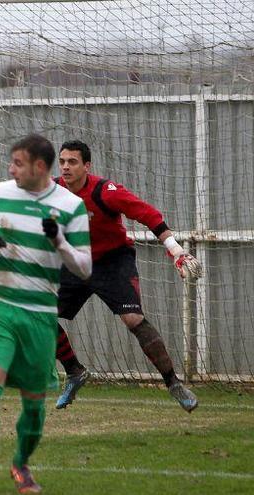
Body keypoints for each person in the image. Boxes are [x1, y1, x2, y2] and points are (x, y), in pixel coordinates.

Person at [0, 134, 92, 495]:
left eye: (17, 163)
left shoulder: (70, 207)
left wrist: (59, 242)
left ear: (39, 167)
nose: (10, 168)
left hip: (39, 317)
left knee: (34, 406)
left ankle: (20, 464)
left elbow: (84, 267)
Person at [51, 140, 202, 412]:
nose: (65, 167)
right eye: (62, 161)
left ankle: (173, 383)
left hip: (113, 261)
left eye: (72, 162)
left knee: (133, 319)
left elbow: (146, 214)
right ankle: (74, 372)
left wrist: (175, 249)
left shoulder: (105, 191)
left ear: (87, 166)